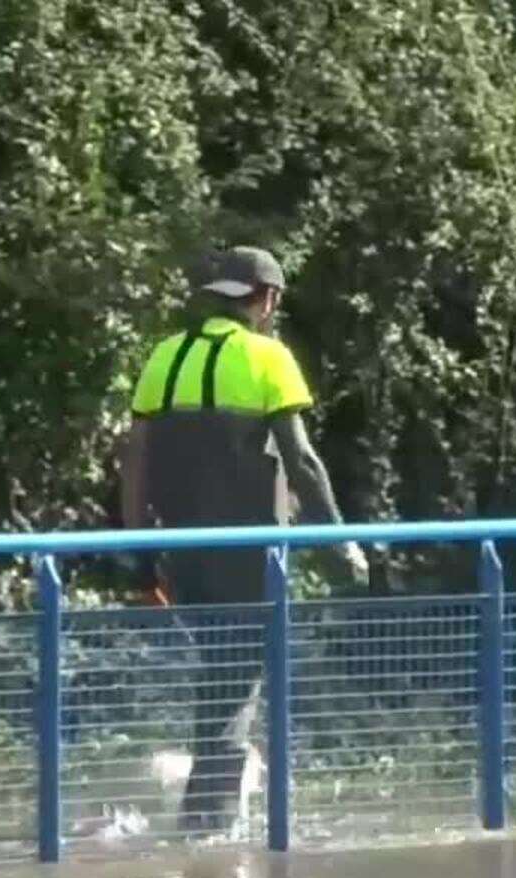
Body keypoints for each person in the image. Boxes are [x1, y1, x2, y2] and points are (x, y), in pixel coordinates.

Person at [118, 245, 366, 836]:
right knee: (237, 680)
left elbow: (134, 461)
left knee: (220, 672)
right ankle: (208, 831)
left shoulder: (164, 357)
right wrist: (339, 546)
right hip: (251, 552)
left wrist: (138, 557)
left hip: (183, 550)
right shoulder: (268, 358)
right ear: (267, 299)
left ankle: (205, 814)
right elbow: (302, 461)